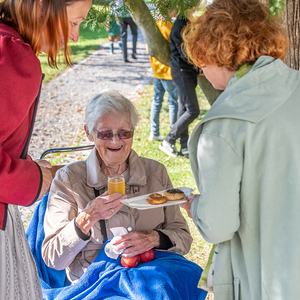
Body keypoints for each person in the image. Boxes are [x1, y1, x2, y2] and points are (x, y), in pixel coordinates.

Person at [180, 0, 300, 299]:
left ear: (214, 51)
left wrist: (194, 205)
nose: (201, 70)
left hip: (266, 276)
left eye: (201, 61)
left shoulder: (225, 124)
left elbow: (218, 225)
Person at [42, 89, 193, 283]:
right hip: (95, 284)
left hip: (152, 277)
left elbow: (183, 238)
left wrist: (154, 238)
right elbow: (52, 259)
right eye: (105, 134)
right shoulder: (68, 180)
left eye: (124, 133)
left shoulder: (155, 172)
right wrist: (86, 218)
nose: (115, 141)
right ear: (89, 133)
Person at [0, 0, 92, 298]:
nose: (76, 36)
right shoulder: (11, 54)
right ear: (43, 6)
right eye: (75, 22)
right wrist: (38, 178)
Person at [159, 12, 200, 158]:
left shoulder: (187, 22)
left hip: (186, 71)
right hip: (182, 71)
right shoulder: (181, 25)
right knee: (193, 110)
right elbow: (185, 52)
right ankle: (168, 140)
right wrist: (200, 64)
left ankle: (184, 146)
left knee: (183, 108)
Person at [148, 10, 178, 142]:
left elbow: (148, 48)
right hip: (169, 71)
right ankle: (174, 132)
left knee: (157, 101)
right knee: (173, 102)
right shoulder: (172, 26)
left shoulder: (154, 26)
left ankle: (154, 132)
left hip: (157, 70)